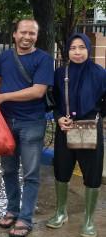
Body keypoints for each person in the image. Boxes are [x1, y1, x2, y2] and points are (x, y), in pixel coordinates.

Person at [0, 19, 54, 237]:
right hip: (6, 122)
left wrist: (2, 97)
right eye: (23, 32)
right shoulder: (4, 57)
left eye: (32, 33)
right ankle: (13, 209)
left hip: (32, 123)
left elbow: (38, 91)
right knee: (9, 170)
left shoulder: (44, 59)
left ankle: (25, 218)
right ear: (15, 34)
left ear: (36, 37)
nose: (27, 37)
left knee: (30, 173)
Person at [46, 33, 105, 237]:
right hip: (66, 128)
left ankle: (88, 219)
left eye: (81, 47)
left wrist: (96, 116)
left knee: (92, 172)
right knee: (62, 169)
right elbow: (51, 98)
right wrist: (58, 117)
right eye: (73, 48)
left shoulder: (99, 73)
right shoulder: (61, 73)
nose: (77, 52)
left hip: (89, 128)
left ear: (88, 49)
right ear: (67, 50)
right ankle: (61, 212)